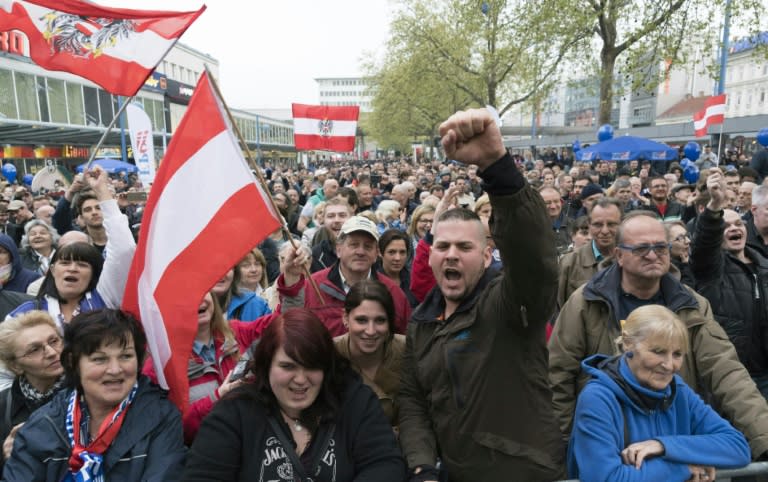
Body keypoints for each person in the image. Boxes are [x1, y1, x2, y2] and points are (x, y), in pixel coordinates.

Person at [399, 108, 564, 481]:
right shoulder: (422, 322)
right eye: (442, 246)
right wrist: (423, 465)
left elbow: (533, 258)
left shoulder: (508, 302)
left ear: (488, 255)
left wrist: (497, 168)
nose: (452, 254)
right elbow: (413, 400)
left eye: (464, 247)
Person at [549, 212, 768, 460]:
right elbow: (558, 376)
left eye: (660, 247)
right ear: (619, 255)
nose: (653, 255)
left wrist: (764, 437)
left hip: (671, 444)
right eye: (642, 248)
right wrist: (567, 446)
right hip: (608, 446)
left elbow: (727, 371)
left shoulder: (691, 305)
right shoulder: (586, 302)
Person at [180, 308, 406, 482]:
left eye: (311, 366)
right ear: (267, 365)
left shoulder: (354, 400)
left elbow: (386, 464)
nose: (300, 379)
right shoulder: (233, 412)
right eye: (288, 367)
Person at [568, 305, 750, 481]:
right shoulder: (598, 399)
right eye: (658, 351)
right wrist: (685, 467)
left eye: (677, 354)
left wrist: (663, 445)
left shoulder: (677, 390)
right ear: (628, 343)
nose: (669, 365)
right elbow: (608, 478)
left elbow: (738, 447)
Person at [3, 309, 186, 481]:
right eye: (99, 359)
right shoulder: (42, 424)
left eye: (126, 356)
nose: (115, 370)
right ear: (74, 363)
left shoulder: (161, 417)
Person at [9, 166, 136, 326]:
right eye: (65, 262)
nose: (73, 268)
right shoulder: (26, 315)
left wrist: (102, 191)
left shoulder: (104, 297)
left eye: (82, 264)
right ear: (52, 269)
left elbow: (124, 249)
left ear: (94, 272)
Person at [144, 291, 273, 443]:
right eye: (187, 295)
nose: (199, 299)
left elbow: (282, 325)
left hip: (256, 442)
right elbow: (170, 428)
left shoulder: (236, 332)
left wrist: (291, 283)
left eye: (203, 291)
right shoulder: (160, 364)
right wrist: (217, 398)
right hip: (208, 454)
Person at [690, 170, 768, 399]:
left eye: (738, 224)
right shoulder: (710, 268)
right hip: (731, 371)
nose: (734, 229)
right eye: (725, 226)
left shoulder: (763, 265)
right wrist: (715, 204)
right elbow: (704, 243)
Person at [278, 215, 412, 337]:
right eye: (353, 245)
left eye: (368, 246)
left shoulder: (393, 293)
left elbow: (403, 342)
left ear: (377, 253)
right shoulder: (313, 286)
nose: (360, 251)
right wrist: (291, 277)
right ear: (339, 249)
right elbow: (290, 331)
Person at [334, 279, 405, 427]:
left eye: (380, 320)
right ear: (345, 318)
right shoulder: (329, 354)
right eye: (361, 320)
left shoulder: (408, 351)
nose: (371, 331)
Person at [0, 311, 65, 471]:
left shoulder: (88, 392)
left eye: (54, 341)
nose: (51, 352)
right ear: (15, 366)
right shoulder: (4, 406)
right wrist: (6, 457)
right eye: (35, 349)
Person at [557, 197, 622, 307]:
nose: (605, 231)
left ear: (621, 224)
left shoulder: (632, 260)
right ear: (589, 224)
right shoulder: (570, 263)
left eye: (611, 224)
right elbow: (557, 307)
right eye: (598, 225)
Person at [377, 229, 418, 307]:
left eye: (402, 252)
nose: (397, 258)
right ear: (380, 253)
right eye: (392, 252)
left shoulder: (413, 281)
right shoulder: (373, 282)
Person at [666, 220, 694, 286]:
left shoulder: (692, 259)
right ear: (666, 244)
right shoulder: (665, 273)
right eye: (680, 238)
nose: (688, 241)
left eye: (687, 235)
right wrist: (686, 268)